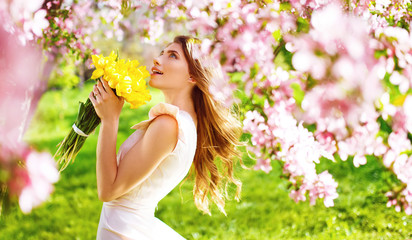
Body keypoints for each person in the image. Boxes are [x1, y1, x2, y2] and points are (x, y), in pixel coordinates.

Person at [90, 35, 242, 239]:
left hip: (123, 230)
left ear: (193, 76)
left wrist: (109, 120)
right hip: (129, 226)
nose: (157, 59)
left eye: (172, 55)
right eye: (162, 52)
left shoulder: (169, 124)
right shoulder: (185, 123)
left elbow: (108, 191)